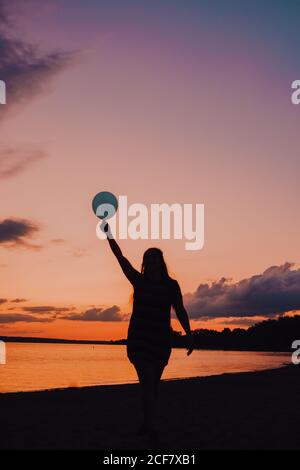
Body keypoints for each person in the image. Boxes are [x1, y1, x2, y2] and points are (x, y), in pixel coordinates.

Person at [102, 223, 193, 447]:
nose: (151, 263)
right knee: (148, 382)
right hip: (140, 341)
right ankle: (153, 428)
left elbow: (180, 309)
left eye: (155, 259)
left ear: (161, 263)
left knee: (152, 387)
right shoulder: (138, 281)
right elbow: (120, 257)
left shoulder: (172, 286)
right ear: (145, 264)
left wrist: (189, 334)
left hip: (161, 341)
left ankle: (146, 422)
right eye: (148, 259)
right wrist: (108, 234)